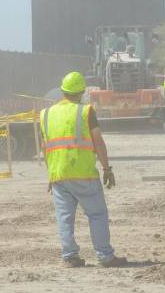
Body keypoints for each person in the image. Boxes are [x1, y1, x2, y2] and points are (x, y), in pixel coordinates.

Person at [40, 71, 127, 268]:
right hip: (84, 174)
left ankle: (70, 257)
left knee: (64, 218)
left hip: (59, 175)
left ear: (63, 91)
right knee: (97, 214)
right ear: (81, 92)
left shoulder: (46, 114)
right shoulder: (86, 111)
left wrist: (51, 174)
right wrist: (107, 168)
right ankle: (105, 256)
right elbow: (98, 142)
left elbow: (45, 147)